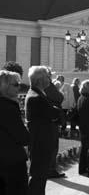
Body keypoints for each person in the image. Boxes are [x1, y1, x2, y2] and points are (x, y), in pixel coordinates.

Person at [25, 66, 60, 195]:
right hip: (41, 142)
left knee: (40, 176)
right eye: (47, 77)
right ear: (40, 80)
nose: (49, 80)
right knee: (38, 176)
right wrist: (56, 111)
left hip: (41, 140)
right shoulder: (36, 97)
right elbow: (55, 114)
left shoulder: (38, 93)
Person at [0, 70, 29, 195]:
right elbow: (23, 137)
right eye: (15, 84)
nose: (19, 87)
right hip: (10, 162)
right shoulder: (7, 107)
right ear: (4, 86)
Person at [43, 69, 66, 179]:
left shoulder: (44, 85)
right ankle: (50, 170)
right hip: (51, 121)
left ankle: (49, 169)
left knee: (51, 146)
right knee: (52, 146)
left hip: (49, 119)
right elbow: (59, 97)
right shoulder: (47, 85)